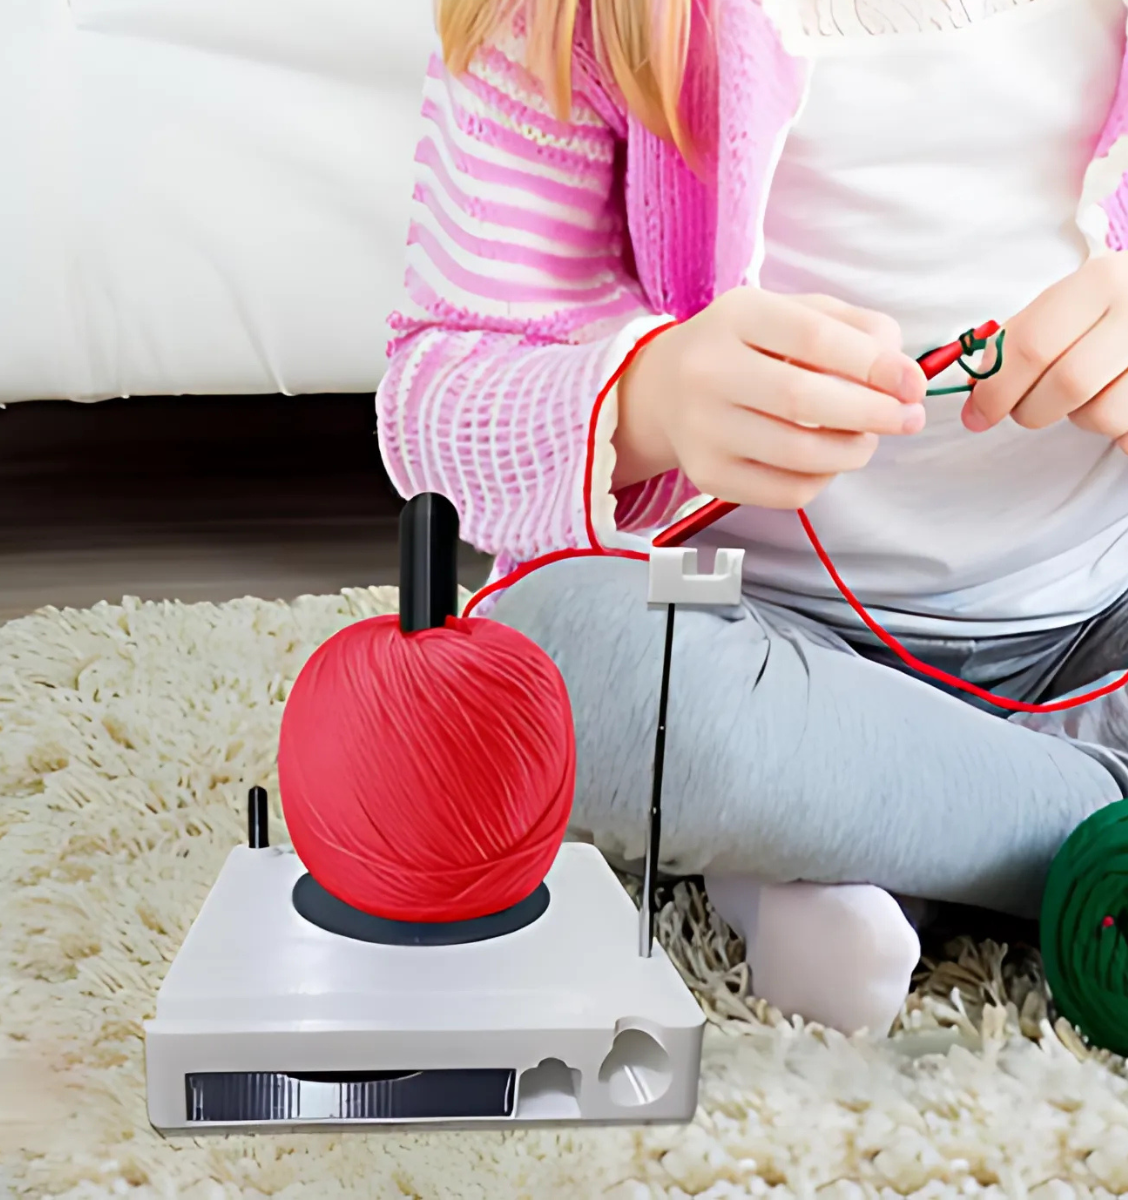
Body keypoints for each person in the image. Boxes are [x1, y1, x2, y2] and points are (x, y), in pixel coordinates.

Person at [376, 0, 1128, 1037]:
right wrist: (652, 400)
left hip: (1101, 631)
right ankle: (1067, 834)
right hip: (758, 637)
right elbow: (435, 407)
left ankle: (861, 841)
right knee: (554, 665)